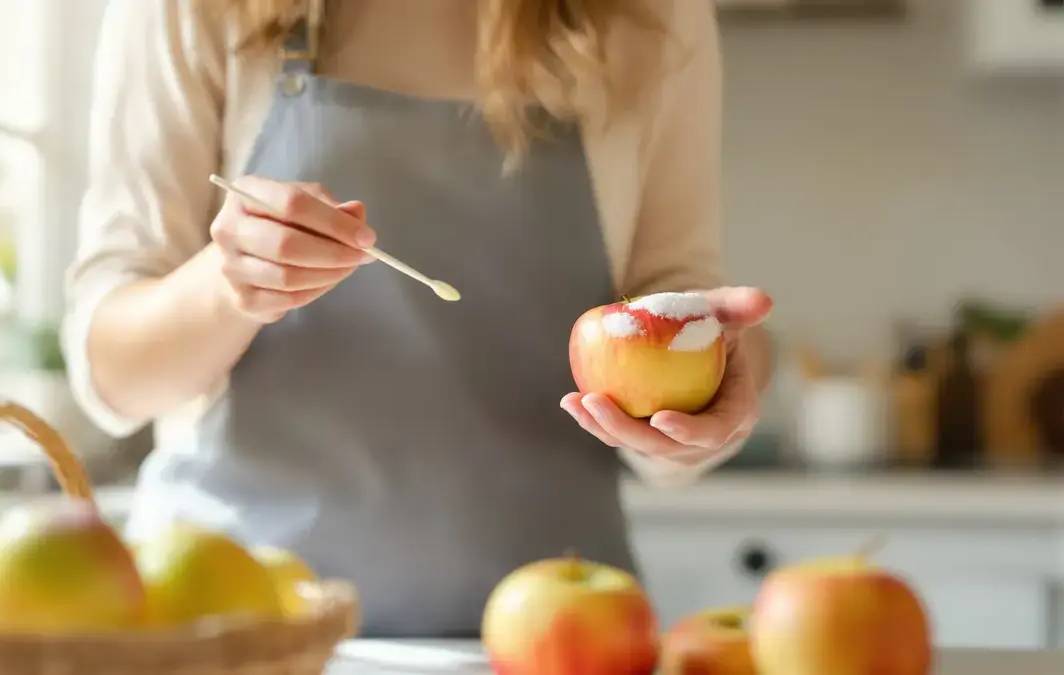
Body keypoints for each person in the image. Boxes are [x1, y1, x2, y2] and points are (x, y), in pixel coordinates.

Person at [63, 0, 774, 638]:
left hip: (555, 636)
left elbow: (682, 292)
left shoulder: (654, 17)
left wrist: (721, 381)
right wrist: (227, 286)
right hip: (236, 631)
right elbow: (115, 376)